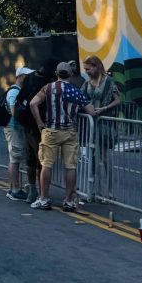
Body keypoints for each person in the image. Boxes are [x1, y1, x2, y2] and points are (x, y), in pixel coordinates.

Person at [29, 62, 96, 211]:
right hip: (70, 132)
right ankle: (69, 201)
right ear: (71, 75)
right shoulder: (76, 91)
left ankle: (44, 198)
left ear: (56, 73)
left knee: (47, 165)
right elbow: (91, 111)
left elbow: (33, 103)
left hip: (51, 130)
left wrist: (40, 123)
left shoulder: (48, 88)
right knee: (70, 166)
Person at [13, 57, 56, 203]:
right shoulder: (48, 82)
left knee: (32, 159)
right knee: (41, 160)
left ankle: (33, 190)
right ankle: (41, 193)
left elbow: (21, 98)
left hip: (28, 124)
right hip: (40, 124)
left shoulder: (30, 78)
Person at [81, 55, 121, 195]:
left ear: (96, 66)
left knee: (104, 157)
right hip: (91, 124)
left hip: (104, 123)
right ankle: (93, 189)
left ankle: (109, 190)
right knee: (91, 157)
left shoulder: (108, 81)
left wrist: (104, 108)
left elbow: (117, 100)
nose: (86, 71)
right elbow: (81, 98)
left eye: (88, 68)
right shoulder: (87, 83)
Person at [2, 67, 33, 201]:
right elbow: (14, 112)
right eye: (27, 76)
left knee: (15, 157)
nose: (29, 79)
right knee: (15, 158)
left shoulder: (17, 90)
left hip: (14, 128)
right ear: (21, 76)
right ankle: (15, 189)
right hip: (14, 128)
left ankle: (13, 188)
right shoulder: (14, 92)